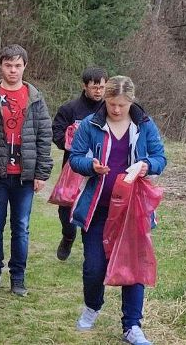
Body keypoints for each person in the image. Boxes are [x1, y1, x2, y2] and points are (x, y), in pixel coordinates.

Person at [69, 76, 166, 345]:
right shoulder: (91, 124)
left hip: (132, 209)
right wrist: (91, 165)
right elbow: (75, 158)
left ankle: (132, 325)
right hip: (97, 208)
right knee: (94, 267)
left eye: (122, 105)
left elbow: (161, 157)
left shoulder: (145, 124)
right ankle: (92, 306)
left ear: (131, 102)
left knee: (133, 269)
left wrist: (146, 165)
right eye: (112, 104)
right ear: (105, 100)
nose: (116, 110)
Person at [0, 44, 53, 297]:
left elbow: (44, 136)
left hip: (24, 177)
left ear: (25, 66)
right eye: (8, 65)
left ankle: (18, 277)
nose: (13, 70)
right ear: (0, 66)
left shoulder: (35, 98)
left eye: (17, 65)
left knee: (21, 227)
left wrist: (41, 173)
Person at [51, 67, 107, 261]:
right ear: (85, 86)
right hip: (73, 169)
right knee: (65, 210)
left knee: (95, 208)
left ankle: (91, 252)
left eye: (102, 87)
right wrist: (72, 138)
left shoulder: (110, 110)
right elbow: (56, 134)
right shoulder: (69, 109)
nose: (98, 91)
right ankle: (68, 236)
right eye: (94, 87)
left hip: (99, 170)